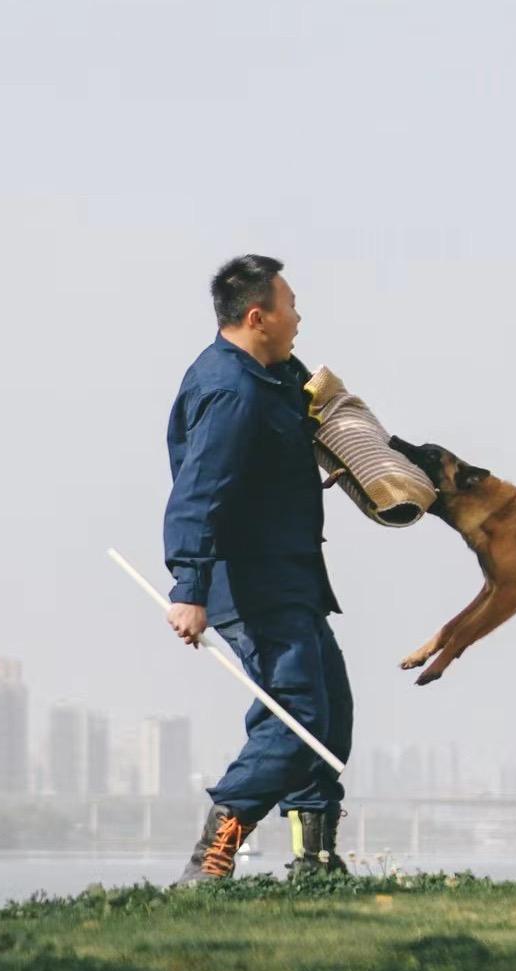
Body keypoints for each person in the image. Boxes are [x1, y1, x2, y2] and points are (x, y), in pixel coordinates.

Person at [163, 254, 353, 884]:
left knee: (330, 712)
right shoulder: (231, 390)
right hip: (253, 583)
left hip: (293, 577)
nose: (299, 317)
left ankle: (316, 859)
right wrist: (188, 588)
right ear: (257, 316)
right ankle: (213, 854)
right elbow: (200, 492)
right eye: (290, 305)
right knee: (297, 718)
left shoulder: (269, 375)